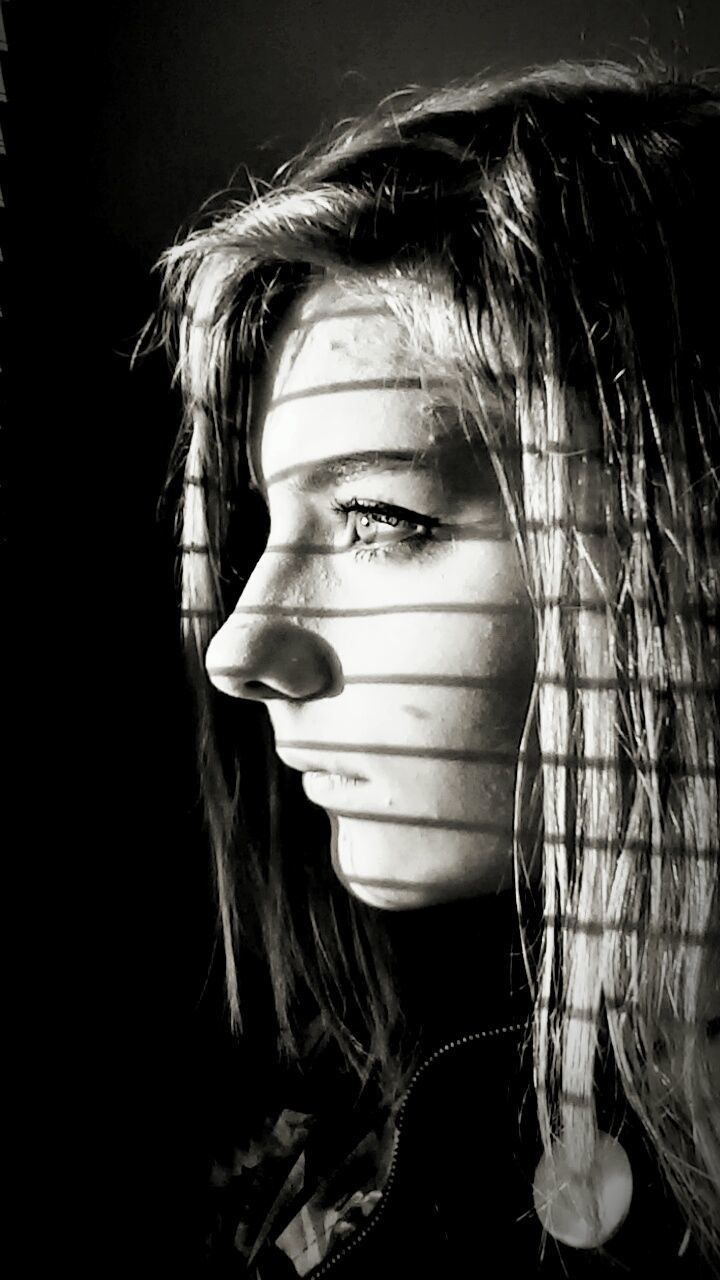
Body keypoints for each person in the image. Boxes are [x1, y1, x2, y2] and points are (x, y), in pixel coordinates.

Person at [152, 59, 720, 1276]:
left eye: (377, 517)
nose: (241, 649)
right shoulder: (300, 1130)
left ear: (669, 554)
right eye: (272, 525)